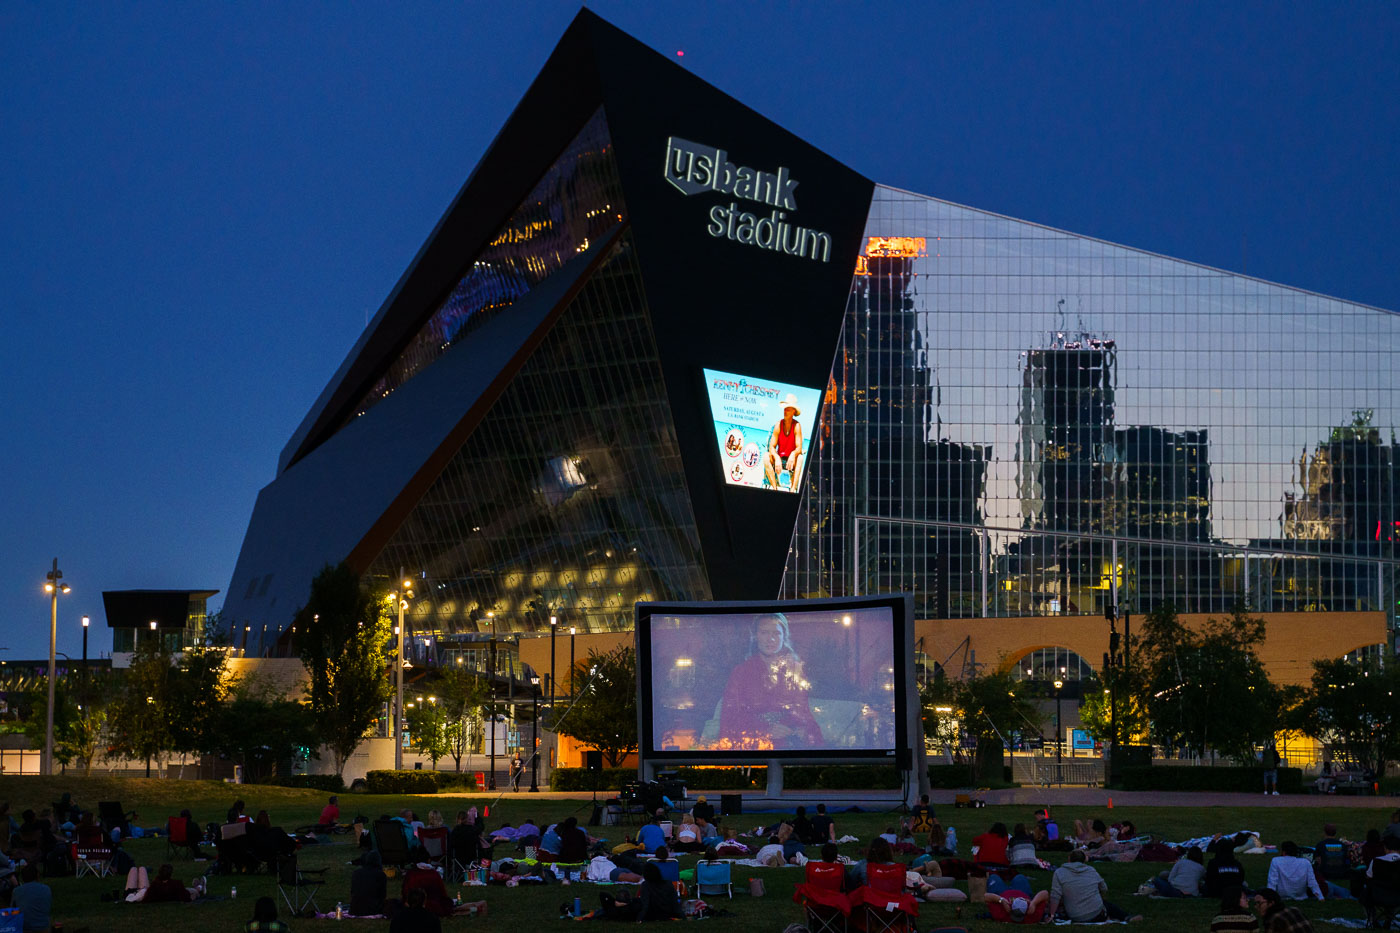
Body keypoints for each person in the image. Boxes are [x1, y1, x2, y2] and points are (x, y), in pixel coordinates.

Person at [717, 613, 822, 749]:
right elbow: (729, 719)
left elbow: (804, 716)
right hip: (751, 750)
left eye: (776, 633)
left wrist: (798, 731)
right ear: (755, 636)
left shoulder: (795, 671)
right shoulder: (741, 672)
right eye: (764, 632)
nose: (770, 639)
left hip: (788, 749)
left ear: (784, 637)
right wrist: (764, 731)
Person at [1046, 849, 1138, 922]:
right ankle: (1126, 917)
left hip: (1074, 915)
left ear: (1069, 859)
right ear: (1084, 860)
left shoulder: (1059, 873)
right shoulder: (1091, 870)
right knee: (1107, 905)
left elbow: (1055, 895)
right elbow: (1104, 888)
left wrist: (1052, 915)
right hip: (1097, 914)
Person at [764, 394, 805, 490]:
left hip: (791, 461)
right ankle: (775, 489)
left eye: (788, 409)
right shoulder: (778, 425)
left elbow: (799, 448)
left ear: (793, 411)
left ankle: (792, 490)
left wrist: (793, 454)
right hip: (780, 459)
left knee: (800, 458)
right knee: (766, 456)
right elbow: (771, 447)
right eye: (785, 408)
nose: (785, 411)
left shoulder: (797, 426)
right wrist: (777, 457)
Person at [11, 864, 52, 932]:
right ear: (37, 875)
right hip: (43, 927)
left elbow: (12, 910)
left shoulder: (17, 891)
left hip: (24, 928)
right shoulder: (46, 889)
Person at [350, 850, 387, 916]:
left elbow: (353, 892)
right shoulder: (380, 874)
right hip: (372, 909)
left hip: (355, 909)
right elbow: (382, 895)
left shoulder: (356, 873)